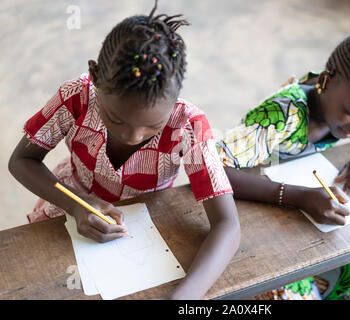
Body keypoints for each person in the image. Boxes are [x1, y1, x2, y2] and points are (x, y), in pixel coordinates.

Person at [8, 1, 240, 300]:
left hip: (150, 224)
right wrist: (78, 204)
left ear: (176, 99)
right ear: (94, 76)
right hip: (70, 198)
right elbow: (22, 160)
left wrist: (180, 299)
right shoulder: (76, 97)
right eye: (115, 119)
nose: (131, 136)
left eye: (152, 126)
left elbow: (227, 226)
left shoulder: (189, 125)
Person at [216, 28, 350, 300]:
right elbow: (214, 169)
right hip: (262, 224)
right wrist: (298, 197)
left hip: (316, 224)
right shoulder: (282, 114)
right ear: (325, 81)